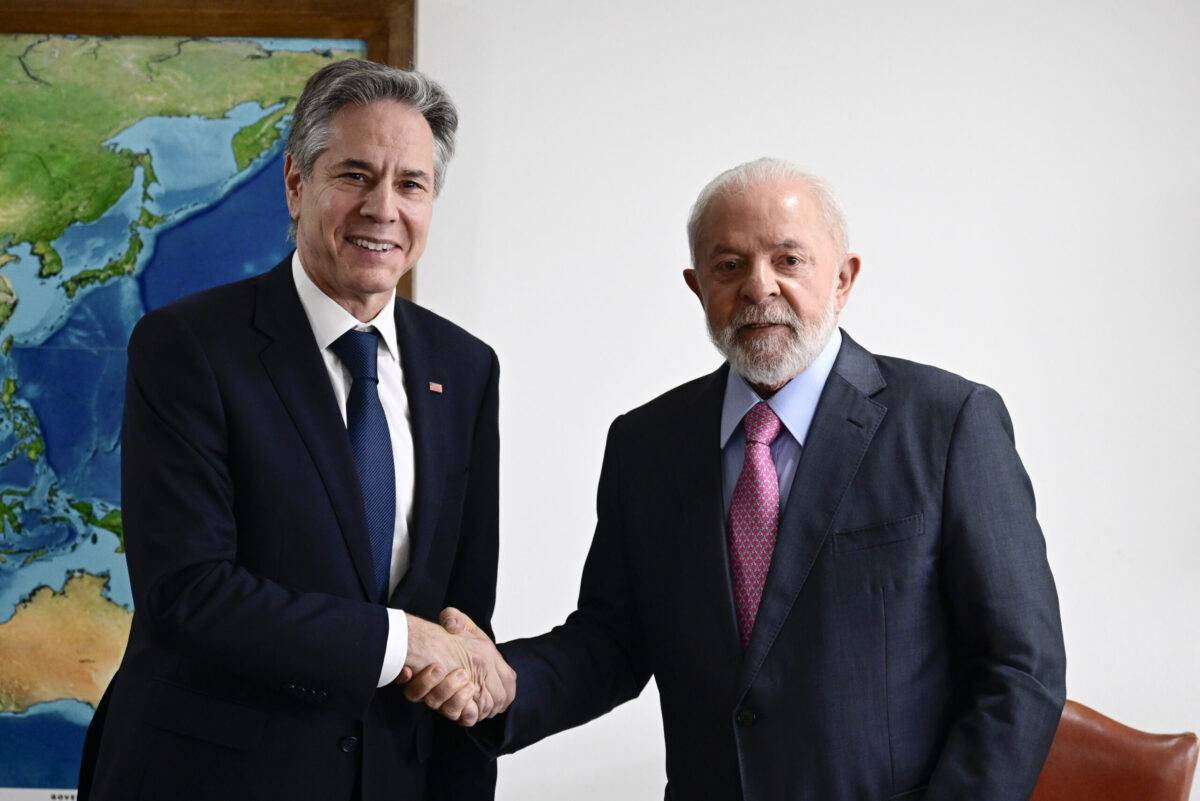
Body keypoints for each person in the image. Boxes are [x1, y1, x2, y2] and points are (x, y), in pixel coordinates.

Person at [407, 159, 1067, 801]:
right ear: (698, 287)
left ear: (843, 278)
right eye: (730, 265)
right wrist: (501, 680)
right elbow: (610, 643)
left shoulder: (948, 423)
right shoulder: (646, 444)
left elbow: (1020, 668)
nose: (759, 287)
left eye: (789, 259)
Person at [77, 59, 514, 801]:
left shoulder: (465, 369)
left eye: (411, 183)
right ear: (295, 183)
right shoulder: (188, 347)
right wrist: (402, 640)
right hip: (205, 779)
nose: (383, 207)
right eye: (354, 174)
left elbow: (463, 616)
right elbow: (189, 592)